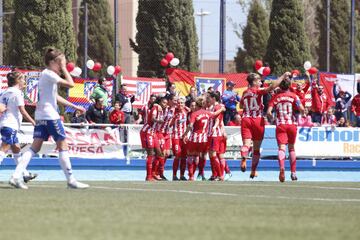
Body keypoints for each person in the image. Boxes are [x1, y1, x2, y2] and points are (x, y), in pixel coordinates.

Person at [9, 47, 89, 189]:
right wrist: (65, 69)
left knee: (35, 147)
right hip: (50, 115)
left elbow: (55, 96)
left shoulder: (46, 75)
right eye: (60, 63)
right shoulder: (49, 74)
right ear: (53, 62)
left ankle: (16, 176)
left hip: (41, 116)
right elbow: (71, 84)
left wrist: (75, 106)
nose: (61, 66)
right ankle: (71, 180)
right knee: (62, 144)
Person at [240, 72, 287, 178]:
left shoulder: (244, 92)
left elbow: (241, 105)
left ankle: (244, 158)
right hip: (258, 120)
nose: (260, 82)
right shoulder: (259, 91)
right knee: (256, 148)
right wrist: (283, 76)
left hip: (246, 119)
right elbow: (272, 86)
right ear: (254, 82)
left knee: (246, 144)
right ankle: (253, 170)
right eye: (258, 80)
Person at [0, 72, 37, 184]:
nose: (24, 82)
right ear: (17, 81)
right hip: (10, 124)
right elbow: (22, 110)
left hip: (5, 124)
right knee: (3, 150)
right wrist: (33, 122)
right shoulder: (17, 93)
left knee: (16, 149)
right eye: (22, 79)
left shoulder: (4, 92)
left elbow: (2, 108)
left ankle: (25, 174)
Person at [267, 78, 304, 182]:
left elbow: (269, 112)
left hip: (280, 125)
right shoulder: (294, 96)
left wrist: (272, 118)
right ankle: (293, 173)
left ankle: (282, 167)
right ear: (289, 85)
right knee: (291, 148)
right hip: (291, 125)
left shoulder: (276, 97)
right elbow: (301, 108)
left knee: (281, 148)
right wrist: (303, 113)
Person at [170, 96, 189, 181]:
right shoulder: (174, 111)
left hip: (184, 137)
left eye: (181, 103)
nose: (180, 104)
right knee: (177, 155)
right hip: (176, 136)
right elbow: (170, 124)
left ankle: (182, 175)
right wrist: (174, 118)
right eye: (178, 103)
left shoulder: (187, 111)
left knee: (184, 157)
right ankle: (174, 175)